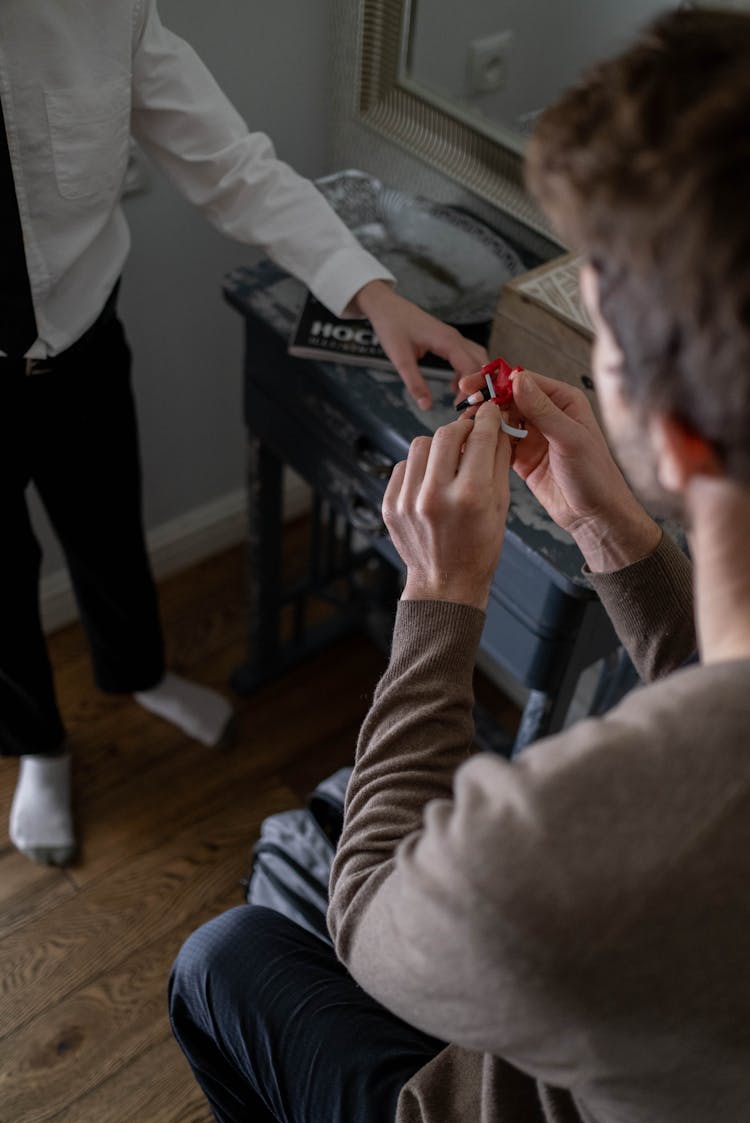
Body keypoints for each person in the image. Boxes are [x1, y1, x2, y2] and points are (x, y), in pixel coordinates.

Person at [168, 7, 750, 1123]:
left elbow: (375, 928)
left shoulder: (554, 855)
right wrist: (614, 534)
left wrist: (438, 601)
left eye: (602, 327)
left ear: (674, 429)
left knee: (226, 955)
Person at [0, 2, 487, 867]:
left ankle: (139, 672)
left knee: (108, 523)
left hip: (78, 342)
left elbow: (230, 164)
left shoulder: (103, 11)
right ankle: (38, 740)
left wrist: (370, 293)